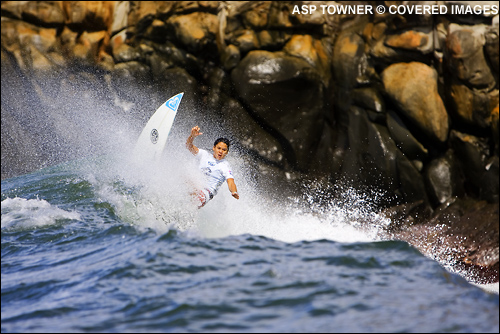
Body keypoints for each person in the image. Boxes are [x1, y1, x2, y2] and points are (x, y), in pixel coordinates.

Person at [186, 125, 239, 208]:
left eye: (224, 150)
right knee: (183, 178)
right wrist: (191, 137)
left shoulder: (225, 166)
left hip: (206, 194)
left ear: (227, 152)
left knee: (193, 189)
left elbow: (230, 182)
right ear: (214, 148)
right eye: (219, 148)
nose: (221, 151)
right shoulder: (204, 155)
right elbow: (189, 146)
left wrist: (234, 191)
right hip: (195, 186)